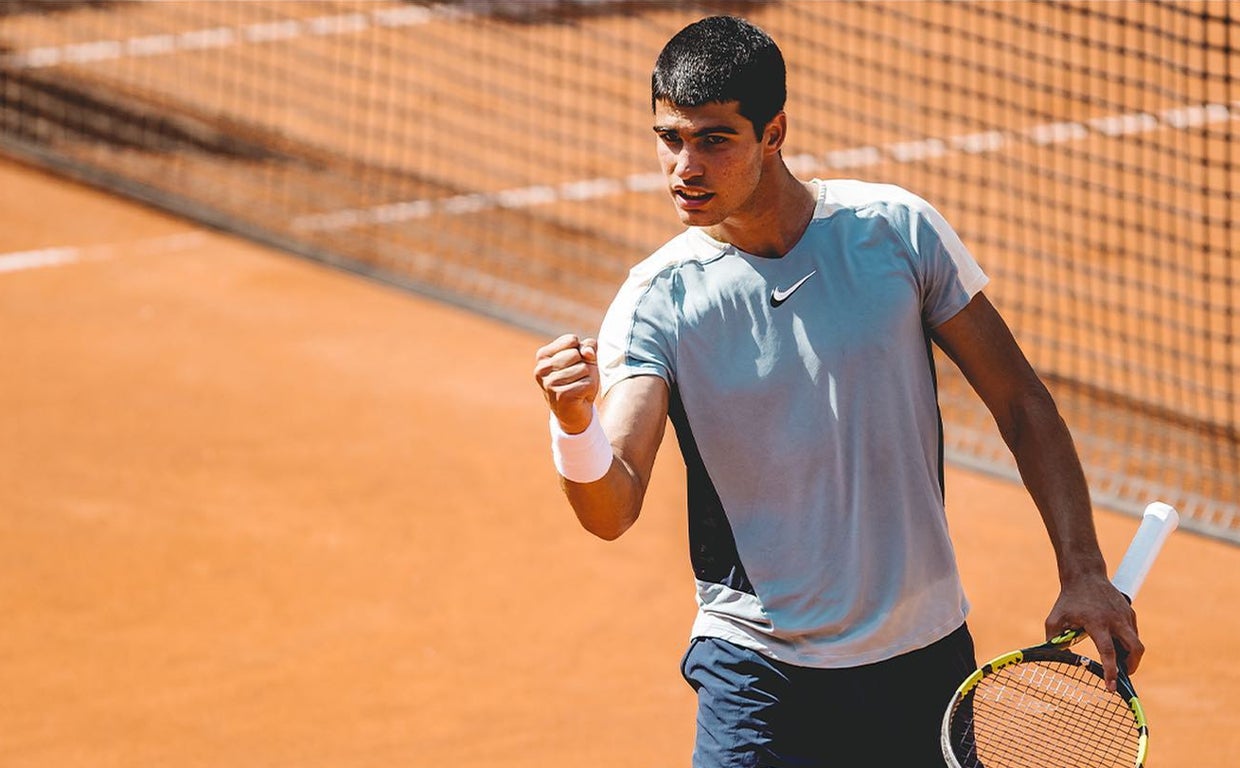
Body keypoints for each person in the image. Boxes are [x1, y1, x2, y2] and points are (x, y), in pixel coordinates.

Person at [532, 14, 1142, 767]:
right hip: (757, 668)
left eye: (713, 140)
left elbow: (1021, 403)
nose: (683, 167)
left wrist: (1082, 568)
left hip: (921, 658)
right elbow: (612, 506)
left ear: (774, 131)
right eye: (669, 138)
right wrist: (573, 422)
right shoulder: (658, 298)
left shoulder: (895, 232)